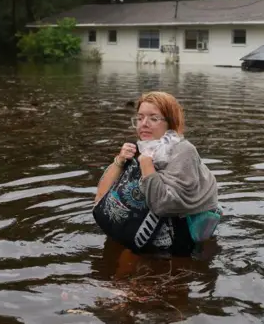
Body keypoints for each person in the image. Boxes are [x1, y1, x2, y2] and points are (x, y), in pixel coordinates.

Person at [93, 91, 221, 257]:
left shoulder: (183, 151)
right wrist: (119, 161)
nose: (144, 124)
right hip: (140, 236)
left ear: (170, 122)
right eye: (140, 118)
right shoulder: (141, 147)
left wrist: (146, 164)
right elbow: (100, 199)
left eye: (153, 118)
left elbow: (164, 205)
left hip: (177, 243)